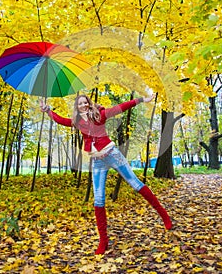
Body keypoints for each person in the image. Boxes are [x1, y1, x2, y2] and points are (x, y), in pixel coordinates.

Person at [40, 94, 172, 255]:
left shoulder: (99, 115)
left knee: (136, 184)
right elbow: (61, 120)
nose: (83, 105)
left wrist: (141, 100)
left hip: (113, 155)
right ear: (77, 106)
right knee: (99, 198)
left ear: (89, 104)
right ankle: (104, 240)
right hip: (97, 162)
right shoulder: (78, 122)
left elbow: (121, 107)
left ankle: (164, 216)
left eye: (85, 102)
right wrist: (48, 111)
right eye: (80, 104)